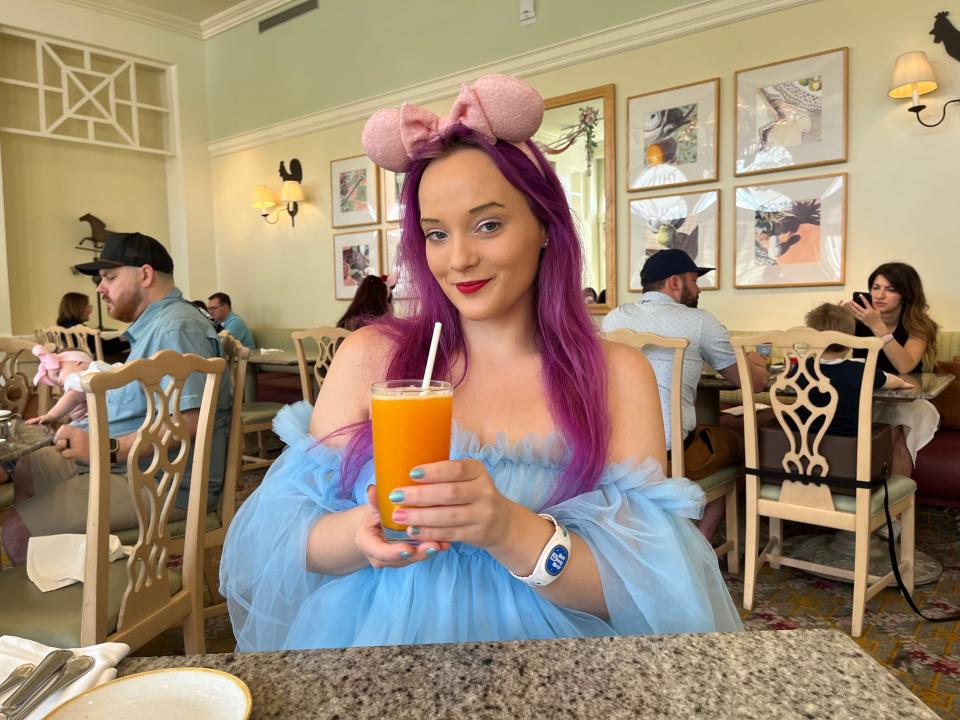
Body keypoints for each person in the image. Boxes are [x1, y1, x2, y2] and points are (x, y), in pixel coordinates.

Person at [220, 74, 741, 652]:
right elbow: (283, 542)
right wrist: (356, 535)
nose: (459, 258)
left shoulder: (616, 374)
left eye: (488, 224)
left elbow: (645, 587)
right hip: (373, 639)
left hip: (554, 652)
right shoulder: (370, 358)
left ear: (545, 226)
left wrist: (507, 528)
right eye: (436, 233)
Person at [1, 232, 233, 565]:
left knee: (15, 531)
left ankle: (88, 606)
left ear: (145, 275)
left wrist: (109, 448)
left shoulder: (175, 328)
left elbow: (191, 420)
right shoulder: (158, 325)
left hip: (162, 482)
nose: (99, 287)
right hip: (138, 465)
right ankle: (65, 564)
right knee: (28, 467)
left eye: (109, 277)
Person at [601, 248, 768, 540]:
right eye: (695, 280)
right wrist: (757, 360)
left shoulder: (614, 319)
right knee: (737, 444)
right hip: (668, 453)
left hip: (614, 449)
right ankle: (696, 545)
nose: (698, 288)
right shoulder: (700, 322)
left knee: (706, 428)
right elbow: (752, 382)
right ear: (676, 283)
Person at [842, 262, 940, 477]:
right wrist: (835, 321)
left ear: (905, 294)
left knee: (897, 429)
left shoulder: (919, 324)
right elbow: (830, 354)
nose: (880, 295)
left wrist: (878, 326)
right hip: (868, 397)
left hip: (908, 400)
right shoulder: (856, 320)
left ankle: (895, 505)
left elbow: (905, 365)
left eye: (891, 289)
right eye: (875, 287)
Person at [802, 304, 914, 436]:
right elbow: (890, 381)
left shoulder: (801, 368)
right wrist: (901, 383)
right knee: (889, 429)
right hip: (849, 441)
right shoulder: (859, 370)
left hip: (803, 438)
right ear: (850, 343)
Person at [26, 345, 121, 426]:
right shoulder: (102, 367)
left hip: (110, 420)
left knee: (66, 433)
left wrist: (51, 416)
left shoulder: (80, 377)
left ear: (77, 361)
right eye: (58, 383)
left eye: (58, 373)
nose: (60, 382)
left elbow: (72, 396)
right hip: (122, 411)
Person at [54, 291, 130, 359]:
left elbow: (101, 344)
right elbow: (108, 349)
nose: (90, 311)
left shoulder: (63, 327)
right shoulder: (80, 331)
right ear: (78, 308)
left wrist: (119, 338)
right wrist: (133, 342)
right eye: (88, 307)